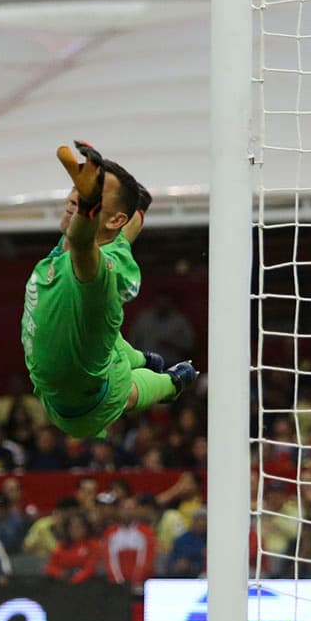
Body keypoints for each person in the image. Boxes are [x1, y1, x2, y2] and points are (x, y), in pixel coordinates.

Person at [20, 141, 197, 440]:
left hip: (87, 408)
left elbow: (80, 242)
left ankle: (172, 383)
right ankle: (144, 359)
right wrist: (141, 204)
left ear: (112, 218)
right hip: (93, 346)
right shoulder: (113, 239)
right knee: (106, 342)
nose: (76, 195)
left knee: (126, 390)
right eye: (78, 187)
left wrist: (89, 206)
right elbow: (130, 227)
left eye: (90, 195)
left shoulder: (94, 274)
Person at [103, 497, 156, 587]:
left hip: (142, 583)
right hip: (116, 585)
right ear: (118, 511)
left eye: (131, 509)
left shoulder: (146, 533)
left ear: (136, 511)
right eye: (124, 509)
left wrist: (137, 580)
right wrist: (118, 581)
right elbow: (110, 560)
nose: (128, 513)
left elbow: (147, 561)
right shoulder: (110, 533)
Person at [45, 512, 101, 584]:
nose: (76, 530)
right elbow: (50, 566)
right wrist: (60, 574)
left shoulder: (93, 545)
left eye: (79, 527)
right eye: (72, 527)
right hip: (64, 584)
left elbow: (91, 567)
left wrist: (74, 580)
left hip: (88, 584)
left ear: (86, 528)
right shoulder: (63, 545)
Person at [167, 508, 207, 578]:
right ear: (193, 521)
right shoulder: (182, 540)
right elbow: (172, 561)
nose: (202, 523)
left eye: (204, 520)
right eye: (199, 519)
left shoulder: (212, 539)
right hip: (185, 576)